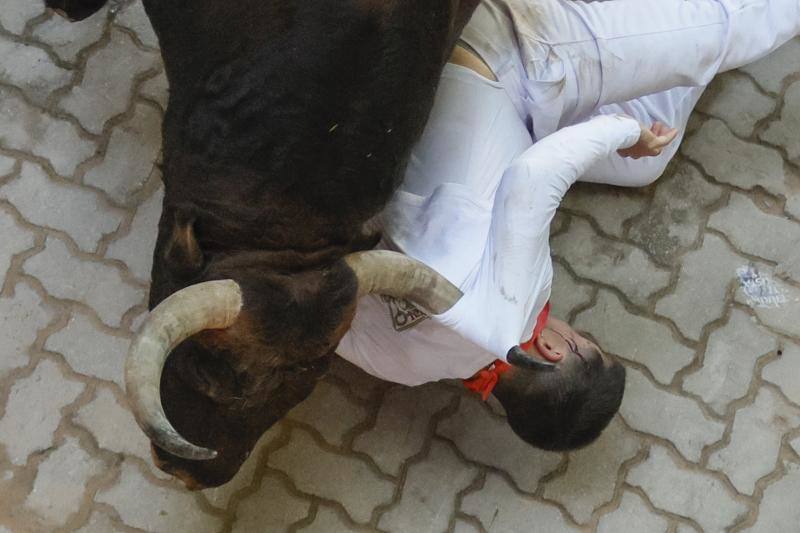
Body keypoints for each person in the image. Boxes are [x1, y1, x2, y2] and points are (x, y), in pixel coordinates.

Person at [337, 0, 800, 451]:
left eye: (583, 339)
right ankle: (661, 47)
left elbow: (536, 176)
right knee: (645, 165)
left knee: (727, 30)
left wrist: (626, 136)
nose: (570, 326)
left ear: (557, 349)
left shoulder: (512, 307)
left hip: (503, 51)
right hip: (465, 109)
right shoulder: (393, 365)